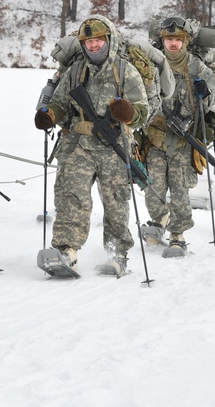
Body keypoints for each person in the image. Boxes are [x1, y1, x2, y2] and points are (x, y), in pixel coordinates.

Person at [35, 16, 149, 275]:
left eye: (98, 40)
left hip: (115, 146)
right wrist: (49, 114)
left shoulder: (125, 70)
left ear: (108, 40)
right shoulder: (75, 71)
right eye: (89, 42)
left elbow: (144, 111)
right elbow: (61, 103)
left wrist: (128, 112)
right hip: (78, 145)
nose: (94, 46)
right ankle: (67, 251)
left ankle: (116, 254)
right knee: (71, 196)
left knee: (116, 201)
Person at [140, 17, 215, 256]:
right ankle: (160, 219)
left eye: (178, 39)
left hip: (183, 139)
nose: (173, 44)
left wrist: (206, 93)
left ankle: (178, 235)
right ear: (162, 41)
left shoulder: (197, 66)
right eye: (169, 39)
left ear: (185, 41)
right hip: (156, 136)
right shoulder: (152, 65)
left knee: (179, 190)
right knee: (152, 188)